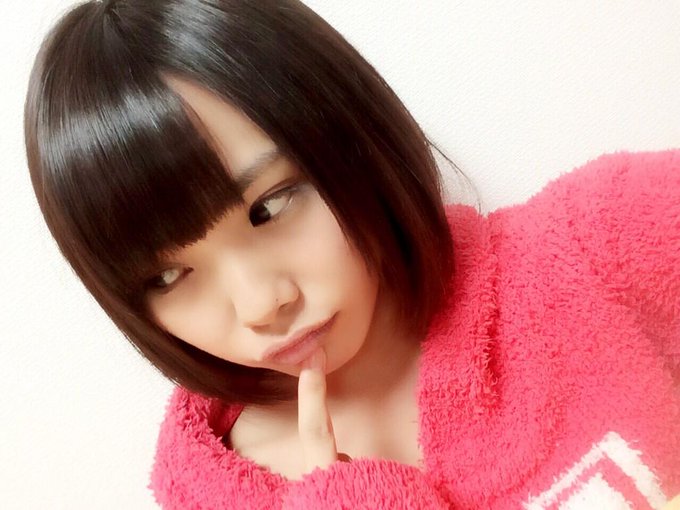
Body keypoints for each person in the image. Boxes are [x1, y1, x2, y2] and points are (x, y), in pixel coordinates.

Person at [23, 0, 680, 508]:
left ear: (352, 135)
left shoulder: (595, 248)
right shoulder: (213, 491)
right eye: (169, 275)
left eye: (270, 206)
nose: (261, 304)